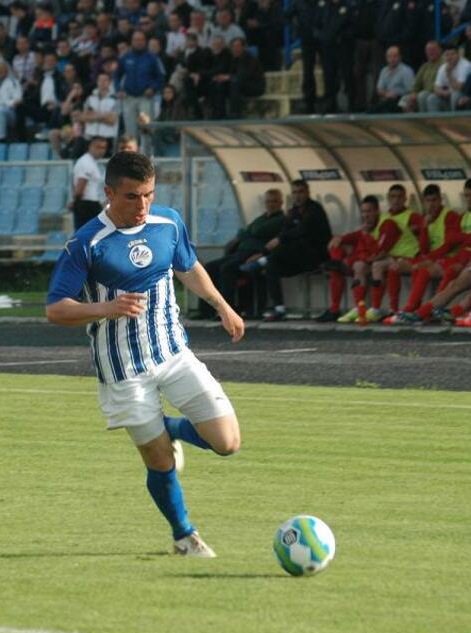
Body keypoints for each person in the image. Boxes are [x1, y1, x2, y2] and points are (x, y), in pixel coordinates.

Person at [46, 150, 244, 558]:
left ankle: (168, 427)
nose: (143, 205)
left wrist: (222, 305)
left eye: (149, 194)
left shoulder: (167, 223)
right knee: (159, 460)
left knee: (228, 442)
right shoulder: (86, 243)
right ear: (109, 193)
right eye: (132, 196)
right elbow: (56, 309)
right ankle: (184, 536)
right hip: (123, 369)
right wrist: (107, 307)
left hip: (173, 353)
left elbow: (188, 266)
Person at [242, 179, 331, 321]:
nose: (297, 196)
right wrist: (264, 251)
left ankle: (263, 261)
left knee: (292, 243)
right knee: (272, 266)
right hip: (294, 257)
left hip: (314, 257)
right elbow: (284, 232)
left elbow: (302, 230)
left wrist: (280, 239)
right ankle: (279, 309)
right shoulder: (293, 212)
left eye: (300, 192)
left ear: (308, 192)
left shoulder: (315, 210)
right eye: (294, 192)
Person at [199, 188, 284, 319]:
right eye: (268, 201)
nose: (271, 204)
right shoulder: (261, 218)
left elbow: (255, 231)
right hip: (240, 252)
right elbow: (245, 231)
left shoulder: (281, 219)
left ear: (281, 203)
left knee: (227, 269)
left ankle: (228, 311)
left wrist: (246, 234)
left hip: (254, 254)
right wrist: (245, 234)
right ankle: (205, 311)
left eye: (274, 201)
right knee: (209, 268)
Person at [386, 184, 465, 324]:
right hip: (434, 257)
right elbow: (424, 248)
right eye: (428, 201)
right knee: (398, 267)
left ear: (440, 200)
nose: (431, 204)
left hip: (450, 257)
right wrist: (424, 227)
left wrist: (429, 258)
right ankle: (401, 309)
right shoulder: (426, 219)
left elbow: (449, 245)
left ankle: (427, 311)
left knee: (425, 270)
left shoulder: (450, 216)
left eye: (434, 200)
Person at [365, 183, 425, 322]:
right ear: (388, 198)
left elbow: (422, 235)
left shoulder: (412, 216)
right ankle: (375, 308)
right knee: (375, 265)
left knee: (392, 266)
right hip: (393, 256)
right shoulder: (382, 217)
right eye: (392, 197)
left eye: (399, 197)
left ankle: (394, 309)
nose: (396, 200)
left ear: (405, 199)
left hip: (411, 256)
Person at [317, 195, 380, 323]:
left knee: (357, 265)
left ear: (377, 211)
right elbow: (354, 236)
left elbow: (376, 252)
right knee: (336, 250)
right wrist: (340, 238)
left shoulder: (382, 226)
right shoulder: (365, 228)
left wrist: (365, 236)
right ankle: (336, 308)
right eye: (363, 212)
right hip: (357, 261)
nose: (366, 215)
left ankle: (354, 308)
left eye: (369, 211)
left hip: (370, 262)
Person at [71, 136, 107, 231]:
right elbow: (81, 185)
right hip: (86, 205)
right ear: (90, 146)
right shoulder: (85, 162)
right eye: (98, 147)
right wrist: (76, 202)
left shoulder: (93, 162)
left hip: (92, 204)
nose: (101, 150)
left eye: (103, 148)